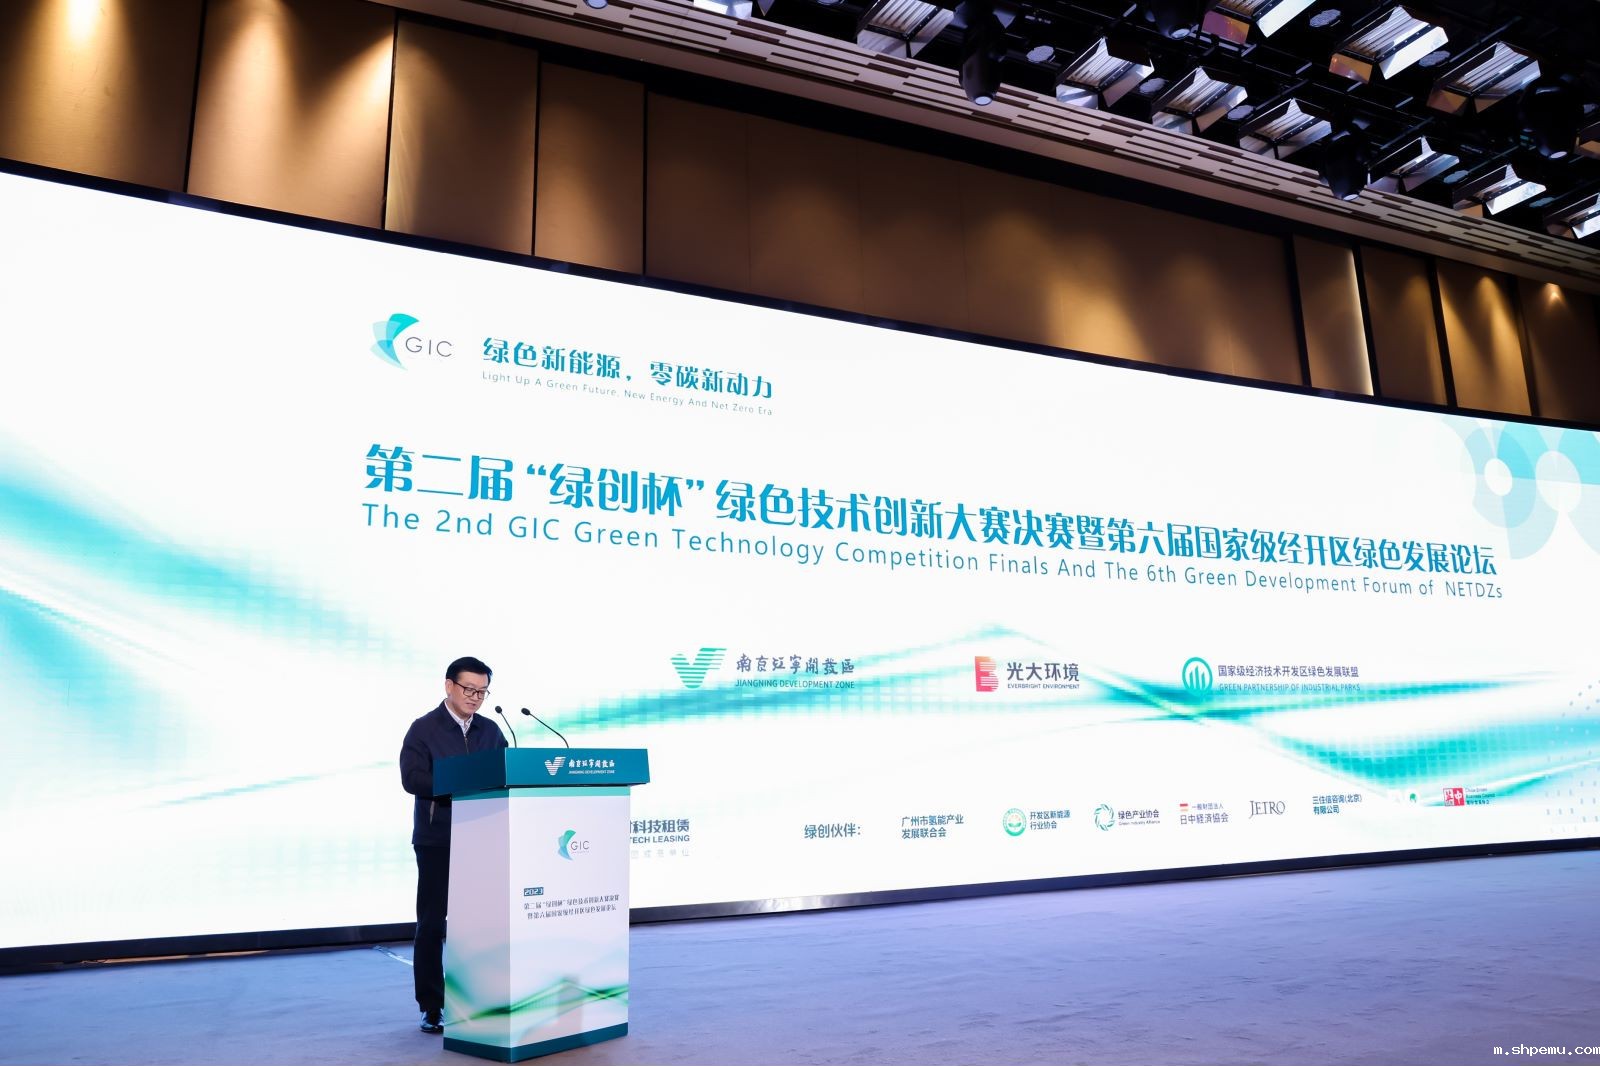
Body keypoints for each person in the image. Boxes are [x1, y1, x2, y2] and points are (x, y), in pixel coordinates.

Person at [399, 655, 509, 1034]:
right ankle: (432, 1005)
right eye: (469, 689)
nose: (475, 697)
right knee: (432, 924)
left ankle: (480, 997)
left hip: (484, 837)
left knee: (483, 922)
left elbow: (505, 772)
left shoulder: (491, 730)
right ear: (449, 686)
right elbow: (412, 779)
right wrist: (457, 782)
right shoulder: (424, 729)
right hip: (438, 838)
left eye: (482, 691)